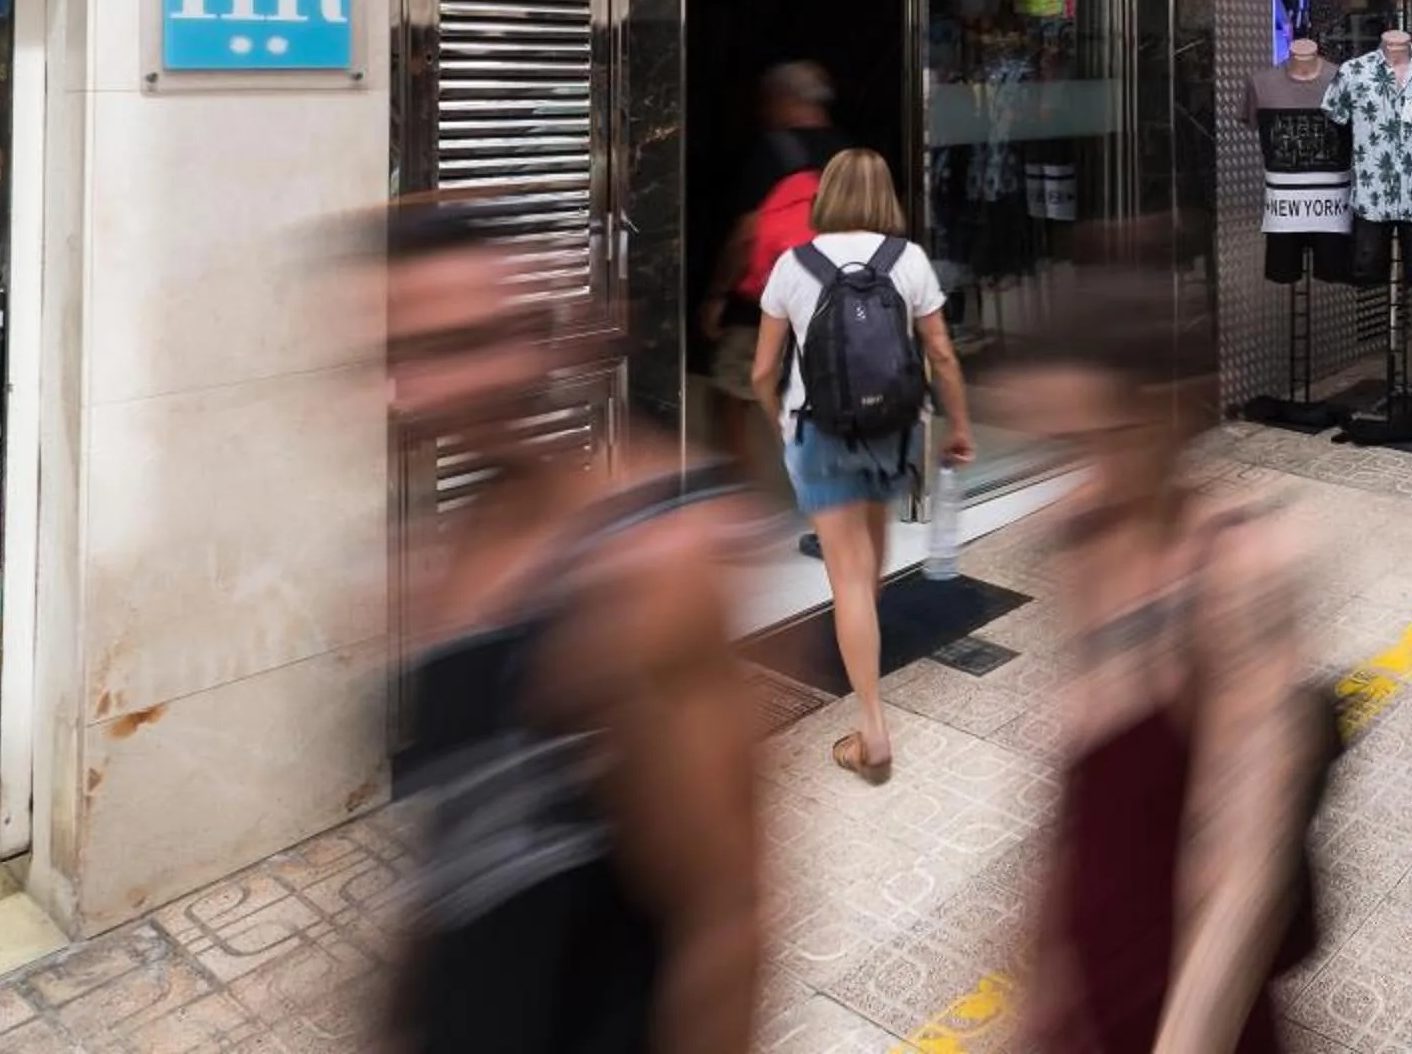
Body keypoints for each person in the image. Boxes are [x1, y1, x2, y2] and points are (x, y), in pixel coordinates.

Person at [383, 198, 764, 1054]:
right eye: (404, 351)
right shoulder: (452, 545)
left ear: (539, 336)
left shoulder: (645, 574)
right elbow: (455, 856)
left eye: (464, 343)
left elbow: (724, 918)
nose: (419, 388)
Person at [1009, 248, 1322, 1052]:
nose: (1084, 477)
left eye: (1105, 442)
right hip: (1091, 1001)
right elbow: (1070, 813)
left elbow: (1243, 872)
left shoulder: (1236, 571)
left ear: (1171, 414)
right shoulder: (1080, 541)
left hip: (1192, 1017)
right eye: (1063, 447)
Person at [752, 147, 974, 782]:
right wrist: (959, 426)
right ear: (884, 195)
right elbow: (941, 352)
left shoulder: (793, 266)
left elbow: (763, 371)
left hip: (821, 435)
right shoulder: (908, 261)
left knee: (848, 581)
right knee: (867, 574)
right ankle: (867, 665)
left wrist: (781, 422)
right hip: (895, 432)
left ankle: (873, 730)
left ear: (827, 195)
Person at [698, 62, 855, 526]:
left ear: (786, 101)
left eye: (769, 101)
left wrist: (716, 294)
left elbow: (748, 233)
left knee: (730, 395)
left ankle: (740, 500)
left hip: (769, 302)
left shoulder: (774, 150)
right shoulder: (848, 154)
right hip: (834, 296)